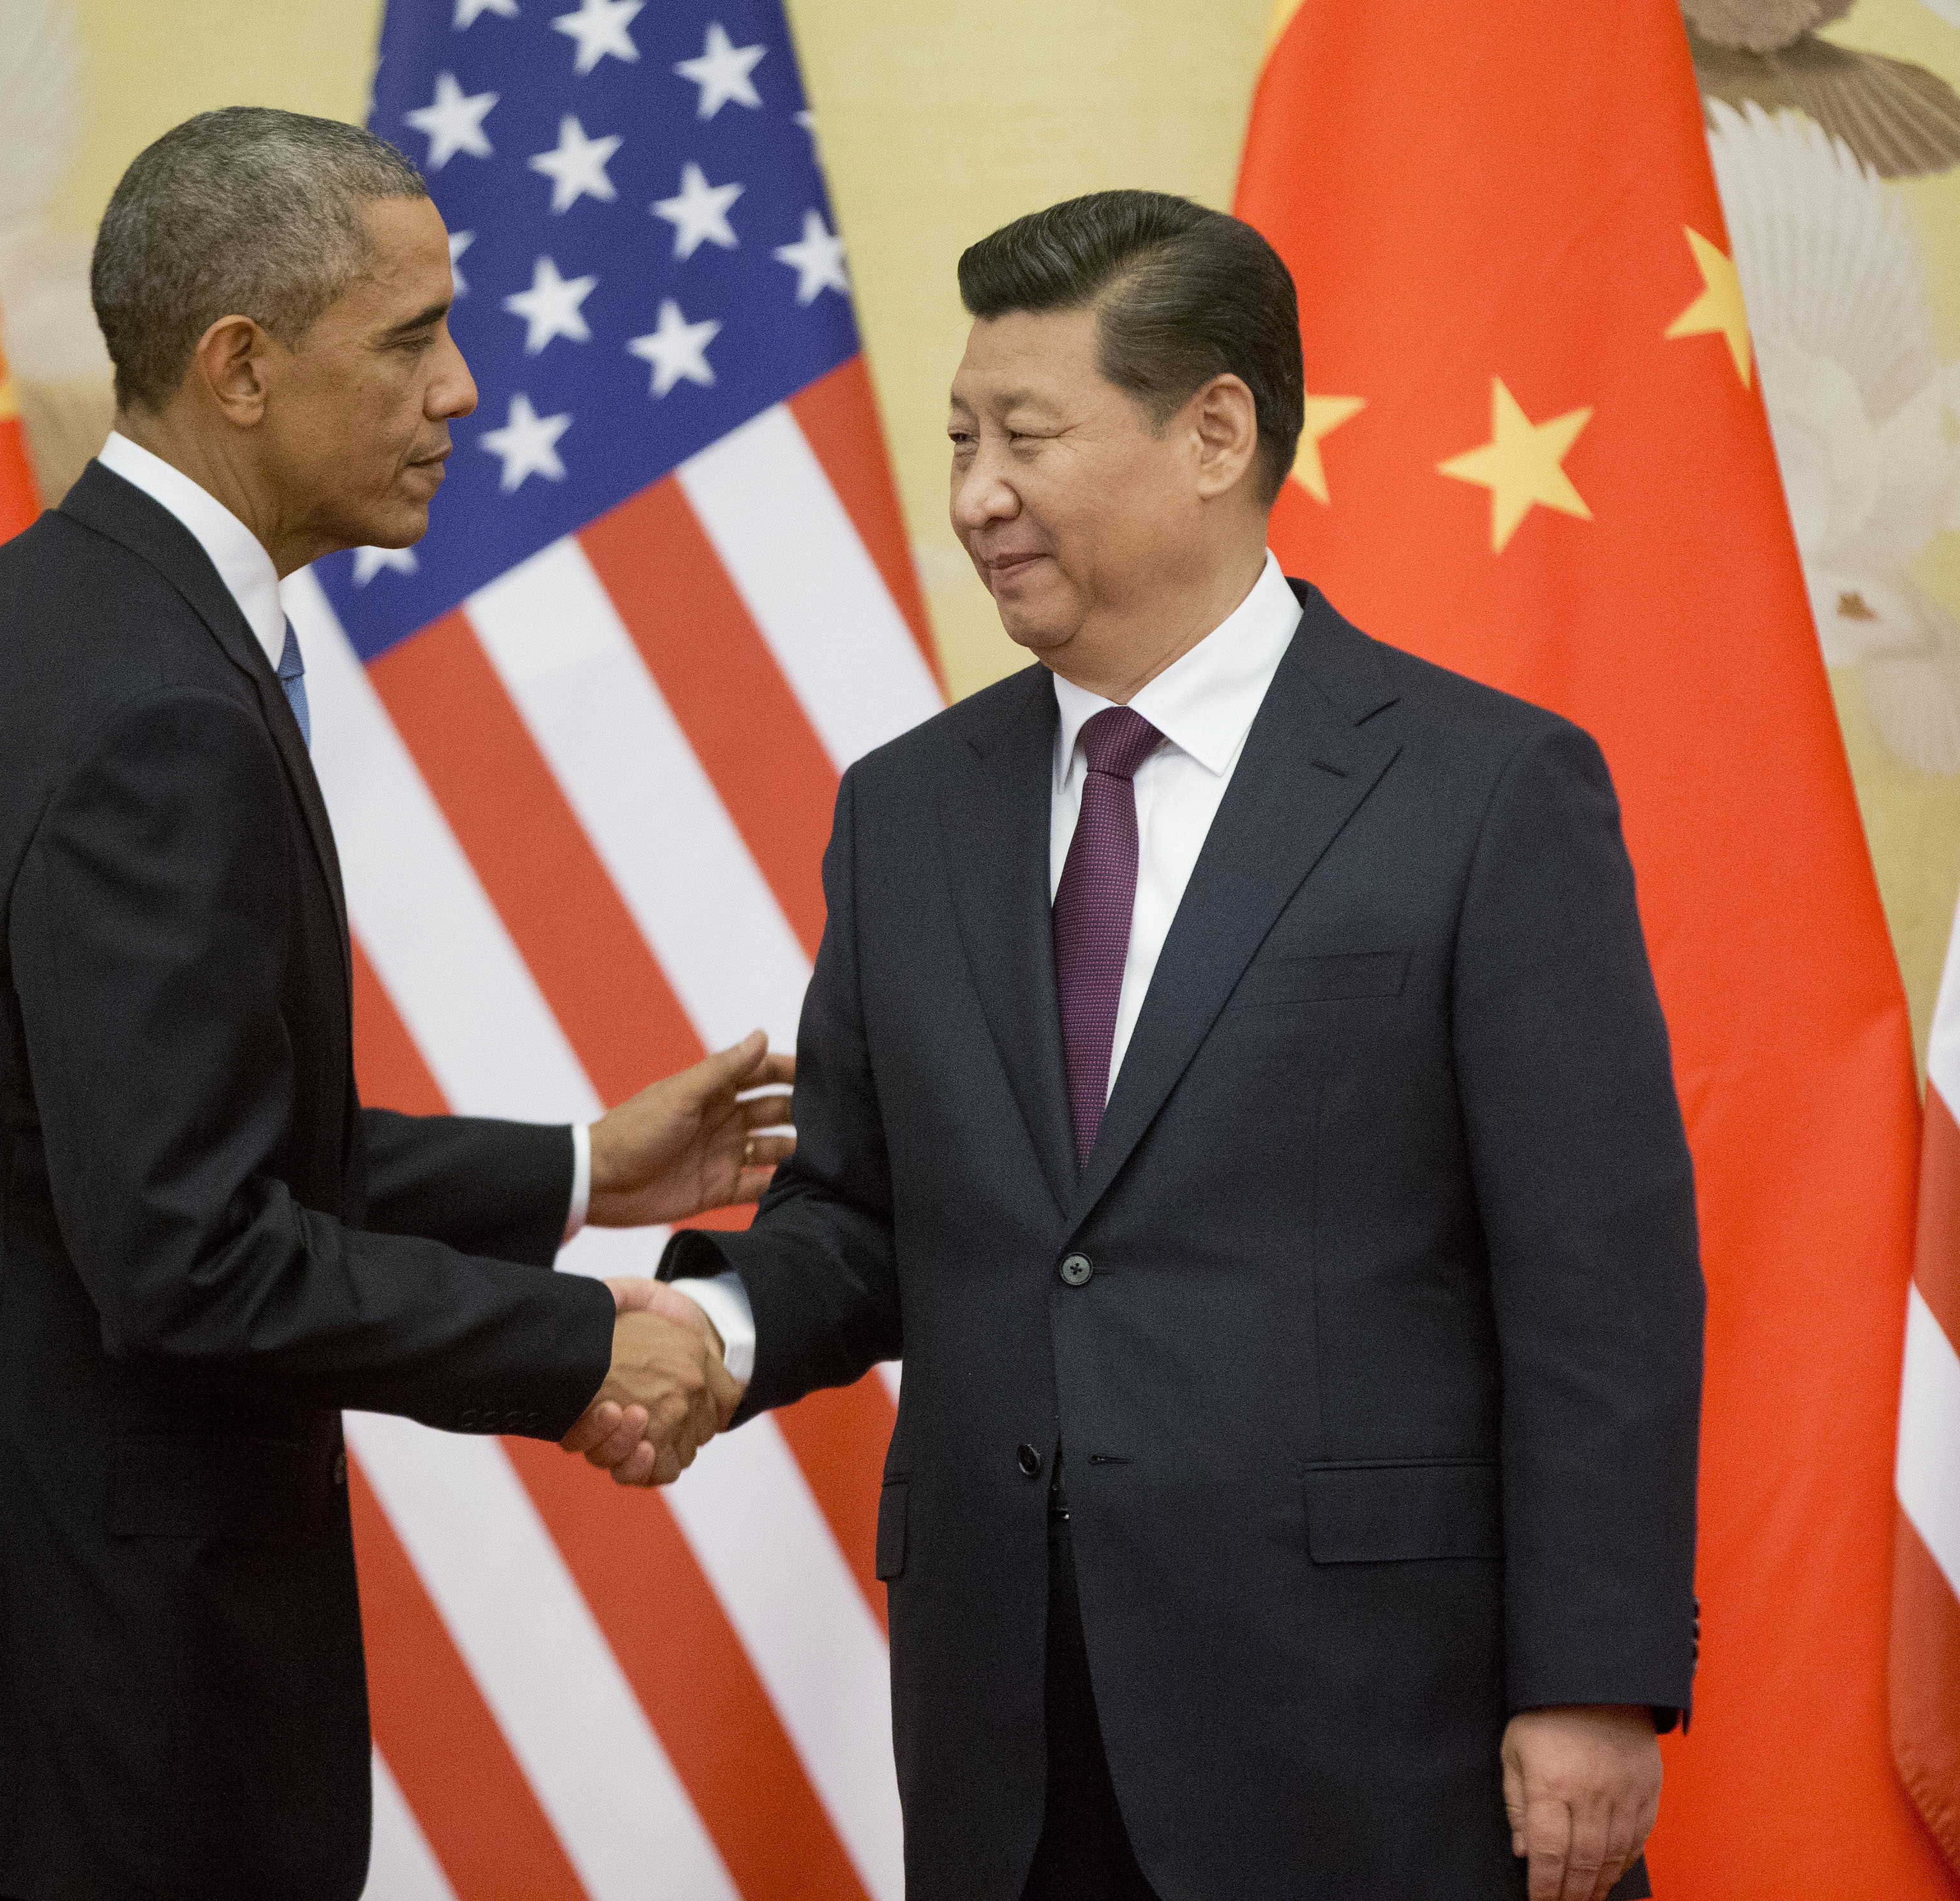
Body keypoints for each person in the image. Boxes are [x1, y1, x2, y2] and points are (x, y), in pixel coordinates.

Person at [0, 109, 772, 1901]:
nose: (466, 389)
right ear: (242, 368)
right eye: (413, 335)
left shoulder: (25, 620)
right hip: (70, 1701)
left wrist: (581, 1166)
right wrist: (583, 1342)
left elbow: (133, 1146)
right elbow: (187, 1253)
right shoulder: (160, 711)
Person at [648, 190, 1703, 1901]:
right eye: (959, 436)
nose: (975, 492)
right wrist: (709, 1323)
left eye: (1026, 436)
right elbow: (860, 1215)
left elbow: (1599, 1279)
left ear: (1217, 430)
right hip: (1013, 1729)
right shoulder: (905, 811)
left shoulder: (1486, 788)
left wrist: (1592, 1681)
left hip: (1378, 1723)